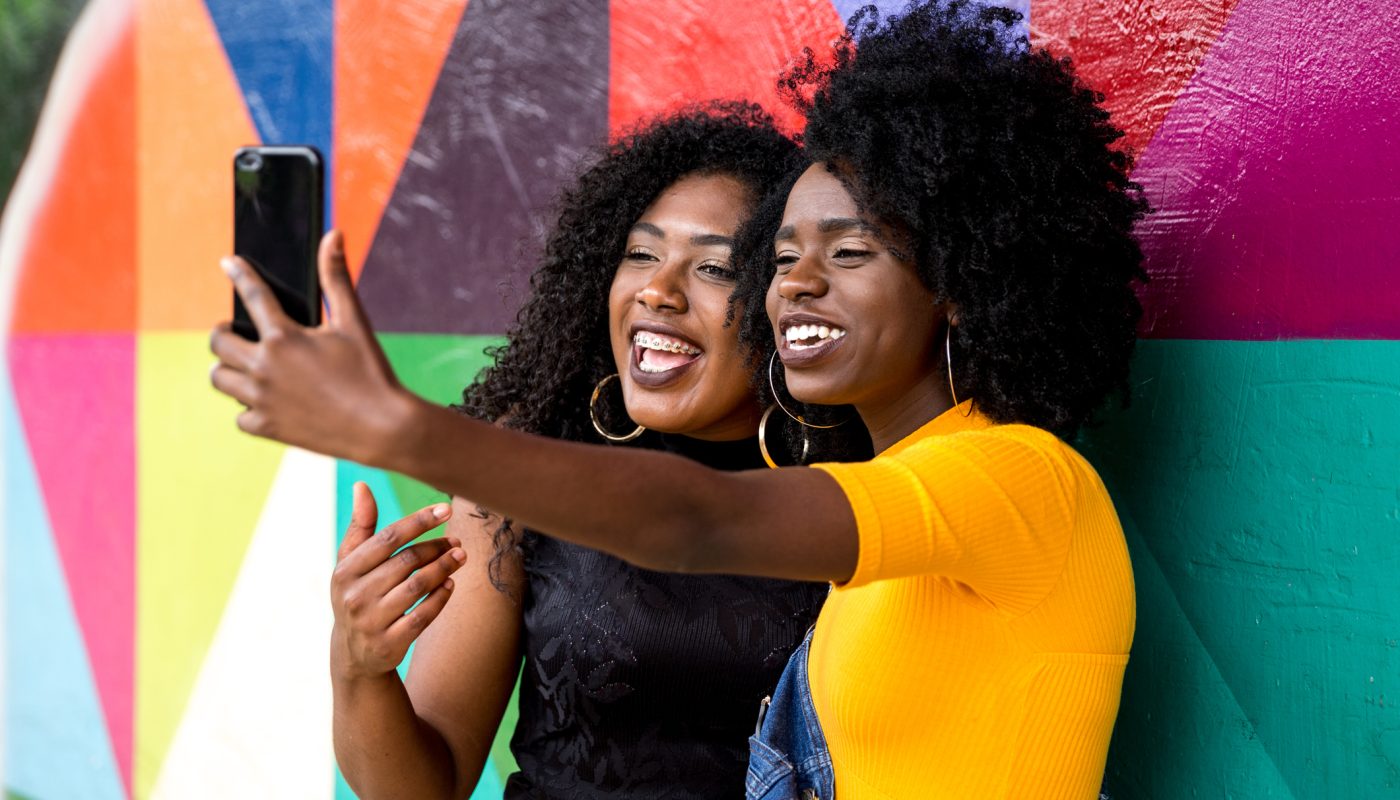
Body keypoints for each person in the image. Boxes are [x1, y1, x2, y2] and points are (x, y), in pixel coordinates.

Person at [209, 2, 1148, 796]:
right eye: (781, 259)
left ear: (965, 281)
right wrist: (357, 669)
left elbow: (696, 521)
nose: (796, 285)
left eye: (848, 253)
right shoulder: (908, 482)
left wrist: (401, 428)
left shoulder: (1014, 480)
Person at [318, 104, 832, 799]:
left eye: (714, 267)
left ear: (785, 295)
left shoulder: (856, 482)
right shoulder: (527, 457)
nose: (657, 289)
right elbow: (420, 787)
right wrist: (359, 667)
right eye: (641, 254)